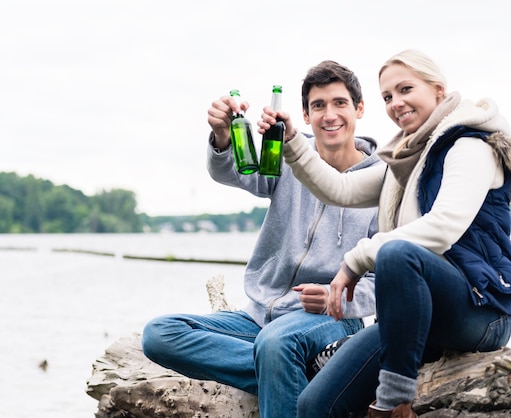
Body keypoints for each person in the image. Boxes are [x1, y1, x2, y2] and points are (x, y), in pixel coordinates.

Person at [258, 49, 511, 417]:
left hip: (479, 310)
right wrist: (293, 140)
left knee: (396, 253)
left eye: (406, 89)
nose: (396, 103)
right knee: (314, 404)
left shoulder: (470, 147)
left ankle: (392, 403)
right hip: (412, 315)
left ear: (438, 90)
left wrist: (355, 260)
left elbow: (442, 228)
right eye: (387, 96)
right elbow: (339, 189)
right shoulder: (405, 161)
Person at [141, 60, 381, 418]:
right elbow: (236, 173)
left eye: (339, 103)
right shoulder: (289, 155)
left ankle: (284, 363)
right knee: (159, 334)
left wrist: (339, 298)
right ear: (305, 114)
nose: (329, 115)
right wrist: (222, 134)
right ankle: (304, 373)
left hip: (330, 318)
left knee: (276, 344)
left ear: (359, 109)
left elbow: (384, 278)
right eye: (318, 105)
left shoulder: (382, 181)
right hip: (259, 315)